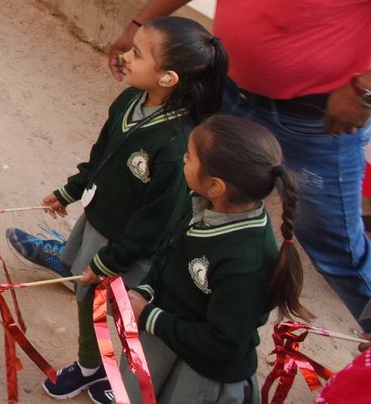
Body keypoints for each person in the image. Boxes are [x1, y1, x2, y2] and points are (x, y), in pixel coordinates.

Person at [109, 0, 371, 334]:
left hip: (315, 121)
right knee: (188, 197)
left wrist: (364, 88)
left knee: (332, 243)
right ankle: (128, 285)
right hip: (227, 95)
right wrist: (142, 24)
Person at [8, 17, 228, 403]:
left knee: (127, 317)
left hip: (133, 250)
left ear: (168, 78)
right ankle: (91, 366)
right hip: (99, 228)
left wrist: (111, 261)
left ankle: (124, 379)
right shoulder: (129, 100)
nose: (124, 56)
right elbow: (102, 155)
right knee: (86, 299)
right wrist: (73, 189)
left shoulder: (176, 144)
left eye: (137, 54)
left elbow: (157, 222)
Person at [122, 116, 311, 404]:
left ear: (215, 185)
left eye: (189, 156)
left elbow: (224, 342)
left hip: (202, 375)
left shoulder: (247, 264)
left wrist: (148, 316)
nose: (183, 159)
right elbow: (170, 256)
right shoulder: (204, 204)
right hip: (168, 339)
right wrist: (145, 290)